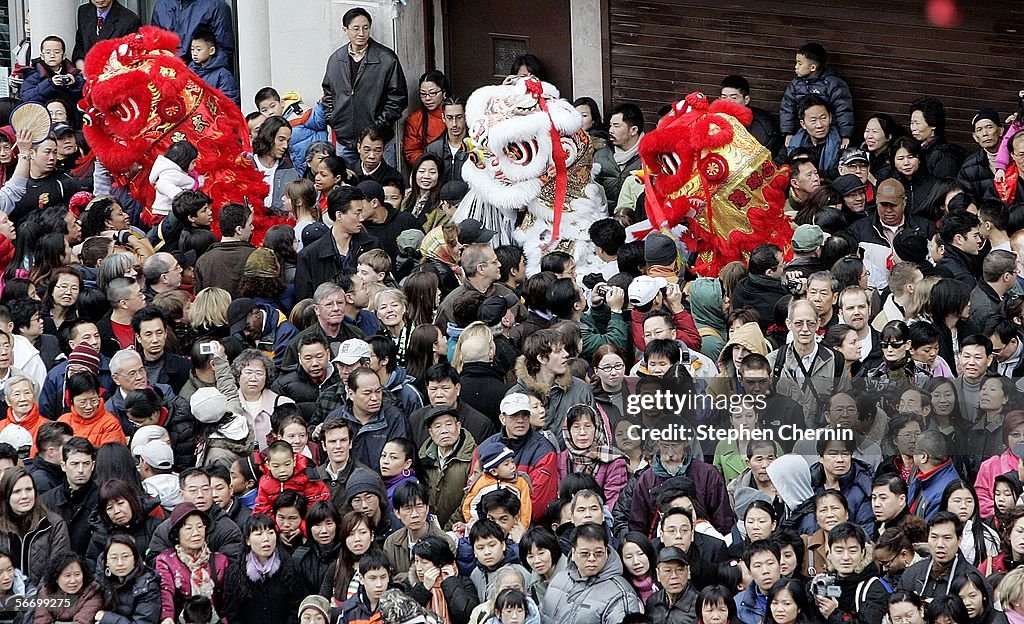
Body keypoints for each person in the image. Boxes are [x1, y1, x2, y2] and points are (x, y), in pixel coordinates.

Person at [321, 8, 408, 165]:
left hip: (378, 140)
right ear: (345, 29)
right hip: (345, 139)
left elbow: (398, 98)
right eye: (356, 28)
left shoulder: (386, 59)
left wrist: (378, 126)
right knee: (347, 184)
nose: (361, 33)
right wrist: (333, 119)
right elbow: (328, 93)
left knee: (382, 185)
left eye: (365, 28)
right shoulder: (336, 59)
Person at [541, 523, 642, 624]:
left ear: (606, 552)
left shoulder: (621, 594)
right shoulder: (559, 579)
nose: (592, 559)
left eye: (598, 553)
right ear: (573, 553)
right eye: (584, 554)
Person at [295, 187, 379, 302]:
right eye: (357, 213)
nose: (362, 218)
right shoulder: (310, 255)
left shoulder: (372, 246)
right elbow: (304, 301)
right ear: (339, 215)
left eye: (362, 212)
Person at [154, 503, 228, 624]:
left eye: (200, 527)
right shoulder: (166, 560)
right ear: (177, 533)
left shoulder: (220, 561)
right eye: (188, 528)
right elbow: (165, 592)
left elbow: (227, 600)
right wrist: (167, 618)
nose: (196, 533)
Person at [223, 515, 303, 624]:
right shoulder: (236, 572)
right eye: (259, 534)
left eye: (270, 533)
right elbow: (233, 613)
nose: (266, 539)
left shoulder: (290, 567)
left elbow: (296, 606)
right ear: (247, 540)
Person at [0, 466, 70, 585]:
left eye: (29, 489)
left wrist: (35, 598)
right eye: (17, 492)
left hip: (43, 598)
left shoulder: (54, 525)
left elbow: (58, 568)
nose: (25, 496)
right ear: (6, 496)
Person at [780, 43, 854, 149]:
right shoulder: (796, 84)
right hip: (805, 129)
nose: (796, 67)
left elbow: (844, 109)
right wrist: (788, 132)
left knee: (832, 151)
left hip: (830, 129)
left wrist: (845, 135)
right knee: (794, 148)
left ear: (813, 67)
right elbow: (787, 108)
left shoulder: (832, 83)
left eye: (800, 64)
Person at [94, 534, 161, 624]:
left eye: (125, 556)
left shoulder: (147, 586)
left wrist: (106, 618)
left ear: (135, 559)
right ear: (106, 562)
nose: (120, 563)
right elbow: (75, 601)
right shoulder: (101, 580)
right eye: (114, 558)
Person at [193, 203, 255, 299]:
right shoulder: (256, 257)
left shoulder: (204, 260)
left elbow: (199, 298)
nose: (252, 228)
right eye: (250, 224)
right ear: (239, 229)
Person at [151, 0, 234, 66]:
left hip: (202, 75)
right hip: (168, 74)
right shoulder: (161, 5)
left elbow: (223, 50)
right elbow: (154, 46)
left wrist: (196, 72)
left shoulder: (216, 5)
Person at [33, 551, 103, 624]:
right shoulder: (45, 593)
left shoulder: (92, 592)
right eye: (67, 576)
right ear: (56, 578)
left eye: (77, 574)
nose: (73, 581)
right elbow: (41, 620)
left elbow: (82, 621)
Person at [595, 104, 644, 206]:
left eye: (616, 126)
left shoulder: (648, 157)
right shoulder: (601, 154)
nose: (610, 130)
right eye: (611, 125)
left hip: (634, 218)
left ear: (633, 130)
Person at [73, 0, 143, 68]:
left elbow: (130, 60)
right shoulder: (83, 11)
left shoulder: (130, 20)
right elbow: (80, 45)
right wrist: (80, 65)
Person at [645, 546, 698, 624]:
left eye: (679, 570)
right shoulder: (653, 601)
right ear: (658, 574)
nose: (674, 576)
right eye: (667, 571)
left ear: (688, 572)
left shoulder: (699, 603)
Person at [188, 28, 239, 105]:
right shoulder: (189, 71)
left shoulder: (223, 74)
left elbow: (230, 101)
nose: (194, 53)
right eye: (192, 49)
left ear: (211, 51)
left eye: (198, 49)